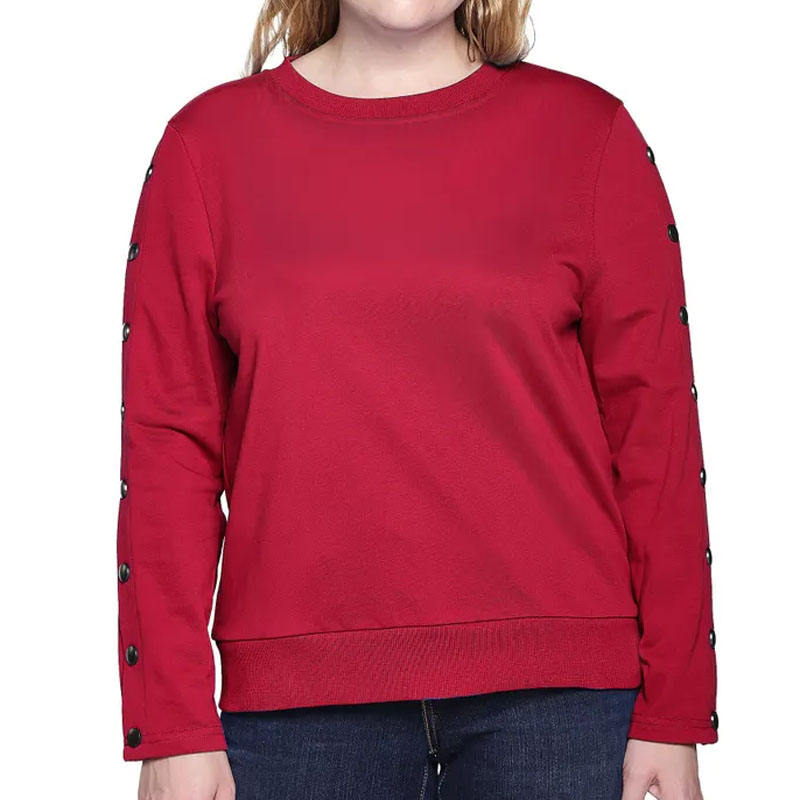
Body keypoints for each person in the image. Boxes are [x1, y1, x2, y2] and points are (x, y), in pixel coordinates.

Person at [116, 1, 718, 798]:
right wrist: (171, 722)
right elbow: (167, 450)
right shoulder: (207, 149)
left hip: (561, 706)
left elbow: (657, 437)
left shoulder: (589, 136)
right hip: (297, 717)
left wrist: (675, 706)